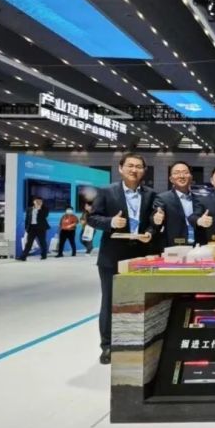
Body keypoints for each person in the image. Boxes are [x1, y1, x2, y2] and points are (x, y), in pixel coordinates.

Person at [88, 153, 156, 365]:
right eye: (130, 166)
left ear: (144, 170)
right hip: (112, 256)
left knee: (139, 300)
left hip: (141, 255)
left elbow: (154, 220)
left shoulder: (151, 194)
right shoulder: (106, 191)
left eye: (138, 166)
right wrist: (110, 222)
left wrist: (150, 232)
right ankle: (108, 345)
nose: (134, 170)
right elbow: (92, 218)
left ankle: (134, 340)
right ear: (120, 168)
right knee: (110, 301)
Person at [151, 161, 204, 251]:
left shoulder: (200, 200)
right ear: (171, 179)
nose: (181, 176)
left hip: (197, 247)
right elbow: (155, 216)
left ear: (191, 177)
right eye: (177, 173)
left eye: (185, 172)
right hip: (173, 247)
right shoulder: (163, 198)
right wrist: (156, 219)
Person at [18, 196, 50, 261]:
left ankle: (44, 255)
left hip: (41, 228)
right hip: (32, 228)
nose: (38, 202)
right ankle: (23, 257)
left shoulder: (45, 209)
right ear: (34, 201)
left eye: (40, 201)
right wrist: (26, 228)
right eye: (37, 201)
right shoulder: (29, 209)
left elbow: (44, 216)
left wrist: (39, 209)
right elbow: (27, 219)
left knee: (42, 242)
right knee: (28, 243)